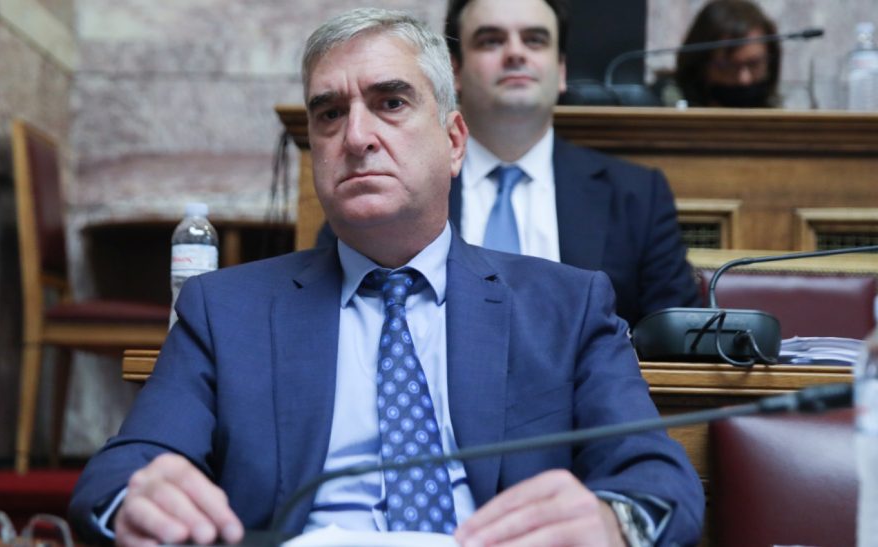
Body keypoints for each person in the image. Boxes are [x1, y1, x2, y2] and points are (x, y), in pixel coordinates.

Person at [69, 8, 704, 546]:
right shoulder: (226, 309)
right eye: (329, 114)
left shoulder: (565, 305)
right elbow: (119, 474)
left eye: (391, 103)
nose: (356, 137)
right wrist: (136, 501)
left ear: (454, 141)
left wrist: (612, 521)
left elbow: (659, 481)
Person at [446, 0, 701, 328]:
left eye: (534, 40)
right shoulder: (415, 185)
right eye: (491, 41)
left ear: (561, 70)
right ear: (455, 70)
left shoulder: (636, 197)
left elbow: (677, 336)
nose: (515, 53)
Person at [673, 0, 781, 108]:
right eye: (729, 67)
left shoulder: (779, 115)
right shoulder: (670, 108)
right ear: (700, 66)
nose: (744, 79)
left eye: (754, 64)